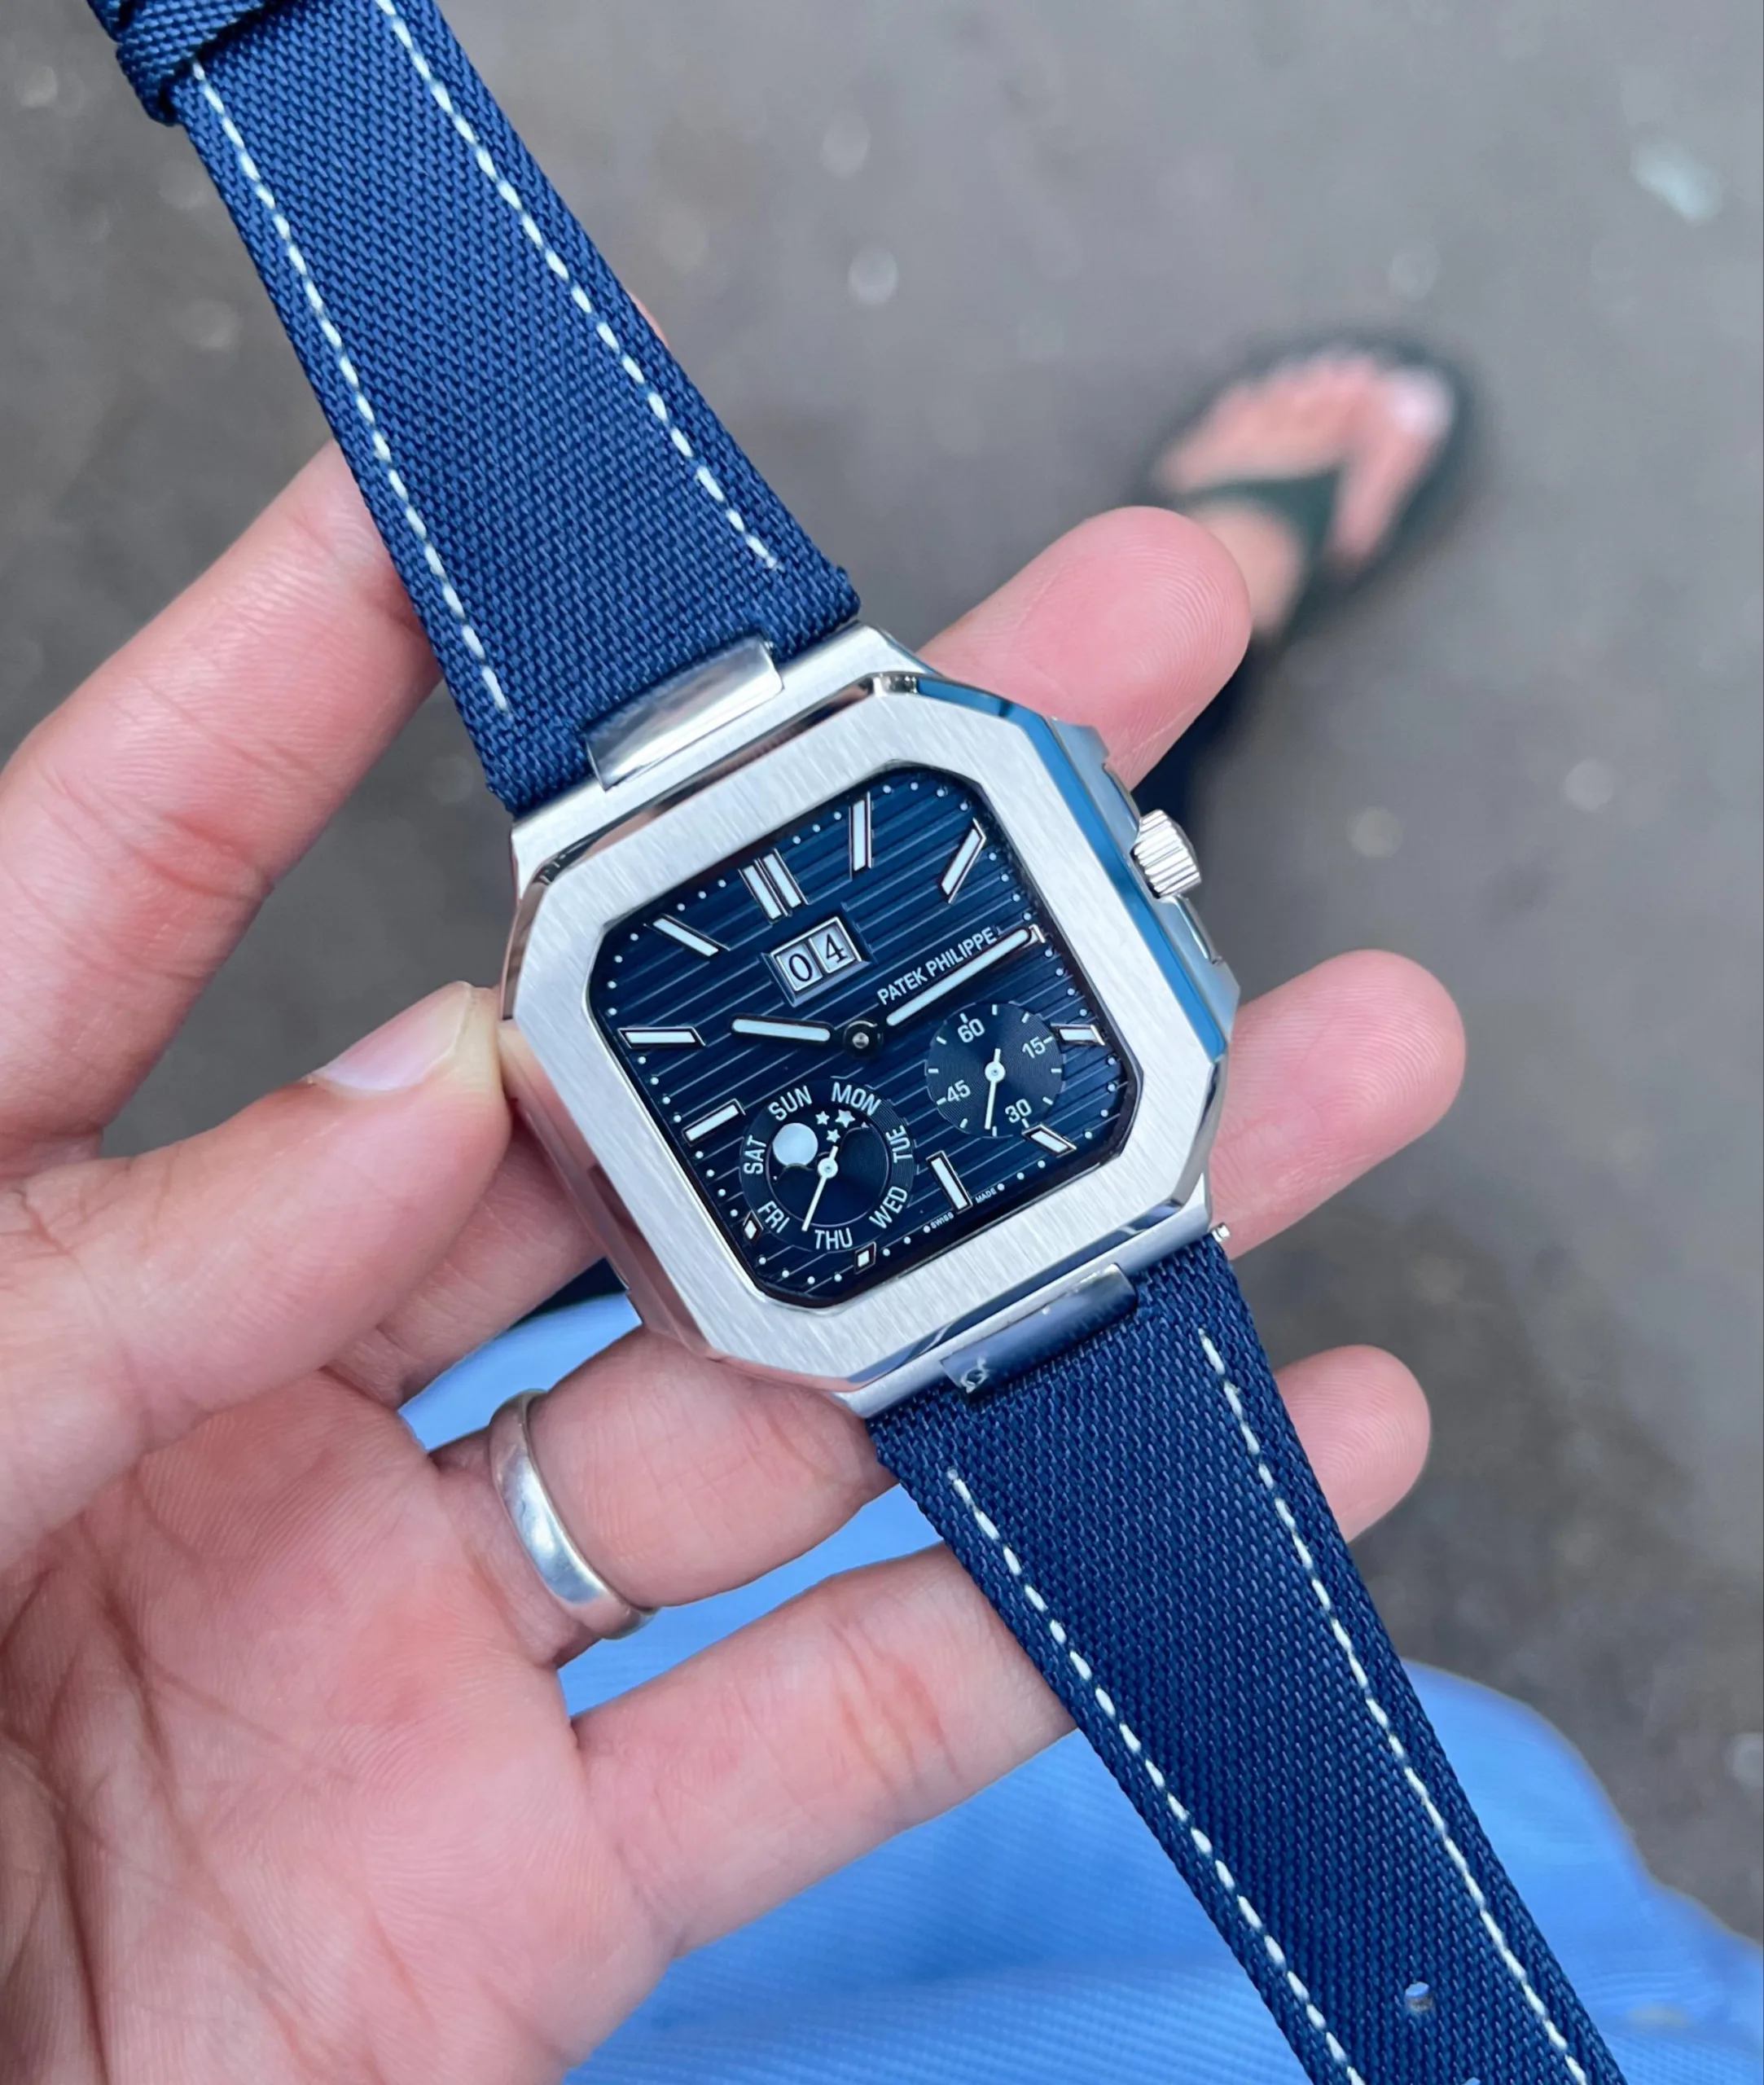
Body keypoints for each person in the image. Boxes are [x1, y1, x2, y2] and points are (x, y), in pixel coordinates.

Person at [0, 345, 1753, 2085]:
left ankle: (1141, 761)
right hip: (503, 1803)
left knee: (1001, 876)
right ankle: (1143, 761)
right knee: (998, 893)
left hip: (427, 1635)